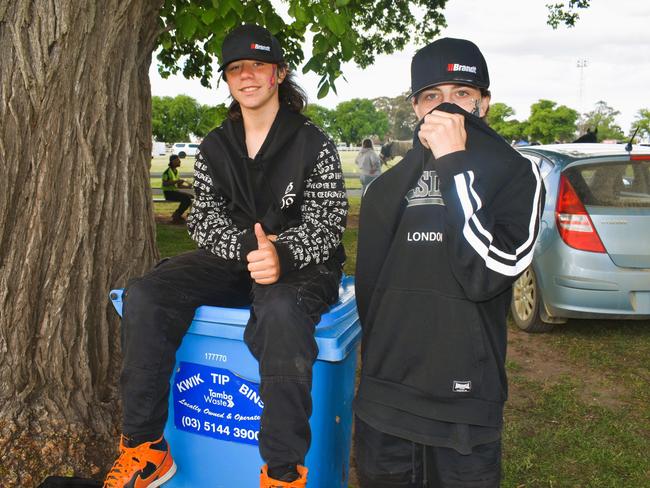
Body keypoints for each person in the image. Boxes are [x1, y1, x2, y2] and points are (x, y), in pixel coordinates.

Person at [103, 24, 348, 488]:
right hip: (236, 258)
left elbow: (328, 219)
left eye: (258, 65)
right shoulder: (215, 144)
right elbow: (203, 218)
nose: (248, 75)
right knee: (147, 294)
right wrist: (249, 248)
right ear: (228, 80)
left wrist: (283, 253)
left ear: (279, 73)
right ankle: (144, 448)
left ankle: (281, 474)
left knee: (279, 312)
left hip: (302, 267)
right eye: (236, 68)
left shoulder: (313, 143)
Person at [353, 38, 545, 487]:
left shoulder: (516, 174)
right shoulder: (383, 190)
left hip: (463, 411)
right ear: (416, 108)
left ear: (484, 103)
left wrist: (455, 165)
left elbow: (488, 273)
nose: (446, 108)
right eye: (432, 96)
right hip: (385, 403)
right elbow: (370, 295)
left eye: (461, 93)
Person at [162, 154, 193, 224]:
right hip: (169, 193)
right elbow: (165, 184)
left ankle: (178, 215)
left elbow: (179, 185)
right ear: (173, 161)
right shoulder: (167, 172)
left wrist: (188, 186)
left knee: (190, 197)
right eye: (178, 160)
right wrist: (177, 181)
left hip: (174, 192)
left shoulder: (175, 171)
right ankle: (176, 216)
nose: (180, 162)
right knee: (186, 198)